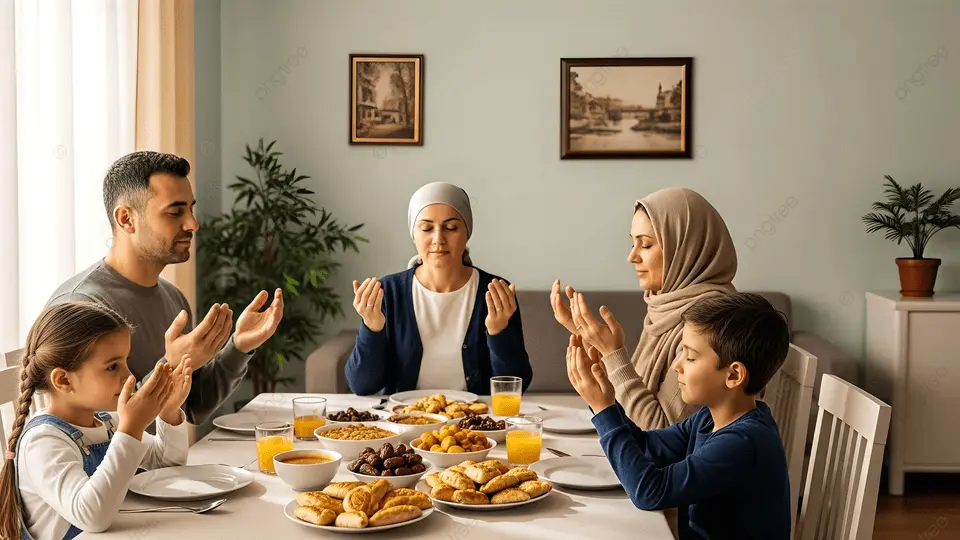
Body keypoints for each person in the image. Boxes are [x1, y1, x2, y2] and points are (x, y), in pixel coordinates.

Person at [45, 151, 284, 425]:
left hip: (164, 455)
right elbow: (100, 426)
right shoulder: (81, 305)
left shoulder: (173, 297)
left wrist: (239, 348)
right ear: (126, 219)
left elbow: (193, 406)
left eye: (191, 209)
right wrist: (170, 364)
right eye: (175, 212)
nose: (193, 224)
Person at [567, 293, 792, 540]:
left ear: (733, 375)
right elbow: (647, 448)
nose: (677, 366)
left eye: (690, 357)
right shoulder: (709, 418)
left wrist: (604, 409)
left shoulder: (744, 442)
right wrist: (603, 400)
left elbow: (650, 492)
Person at [0, 301, 194, 539]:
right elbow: (91, 516)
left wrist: (168, 410)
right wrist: (131, 429)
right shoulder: (43, 442)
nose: (130, 376)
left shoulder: (108, 423)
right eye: (112, 367)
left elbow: (167, 466)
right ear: (64, 380)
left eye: (126, 361)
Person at [551, 187, 737, 430]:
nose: (632, 257)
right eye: (633, 243)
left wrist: (613, 353)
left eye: (646, 245)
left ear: (686, 248)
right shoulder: (665, 307)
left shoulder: (711, 321)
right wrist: (589, 336)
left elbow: (660, 432)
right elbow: (629, 403)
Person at [345, 182, 532, 395]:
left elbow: (516, 387)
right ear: (413, 234)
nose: (438, 239)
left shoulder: (495, 292)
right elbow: (361, 385)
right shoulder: (388, 292)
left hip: (475, 415)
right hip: (403, 415)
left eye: (451, 228)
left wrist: (498, 332)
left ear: (467, 232)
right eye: (426, 228)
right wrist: (372, 329)